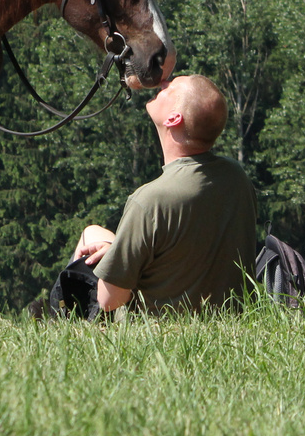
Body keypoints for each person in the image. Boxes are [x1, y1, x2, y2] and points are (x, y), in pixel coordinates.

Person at [66, 75, 258, 315]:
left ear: (174, 118)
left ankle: (68, 327)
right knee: (97, 235)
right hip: (228, 321)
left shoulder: (149, 200)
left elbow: (109, 300)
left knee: (89, 239)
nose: (163, 83)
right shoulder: (237, 177)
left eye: (172, 87)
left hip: (157, 331)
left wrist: (116, 259)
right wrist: (119, 252)